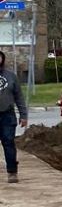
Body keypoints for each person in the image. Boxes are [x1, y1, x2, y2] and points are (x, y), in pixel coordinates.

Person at [0, 52, 28, 183]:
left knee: (8, 142)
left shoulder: (11, 76)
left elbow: (19, 97)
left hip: (7, 115)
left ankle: (12, 172)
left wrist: (23, 115)